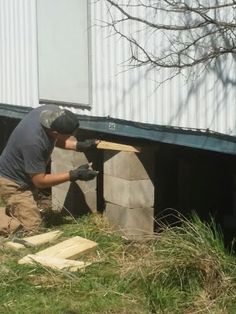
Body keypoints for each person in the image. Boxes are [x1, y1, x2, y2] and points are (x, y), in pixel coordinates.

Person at [0, 104, 99, 236]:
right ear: (56, 132)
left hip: (26, 174)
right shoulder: (33, 142)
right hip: (13, 183)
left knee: (25, 212)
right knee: (33, 230)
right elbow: (40, 182)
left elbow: (53, 138)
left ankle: (14, 210)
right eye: (69, 135)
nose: (72, 136)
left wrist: (78, 146)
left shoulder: (49, 112)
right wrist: (74, 175)